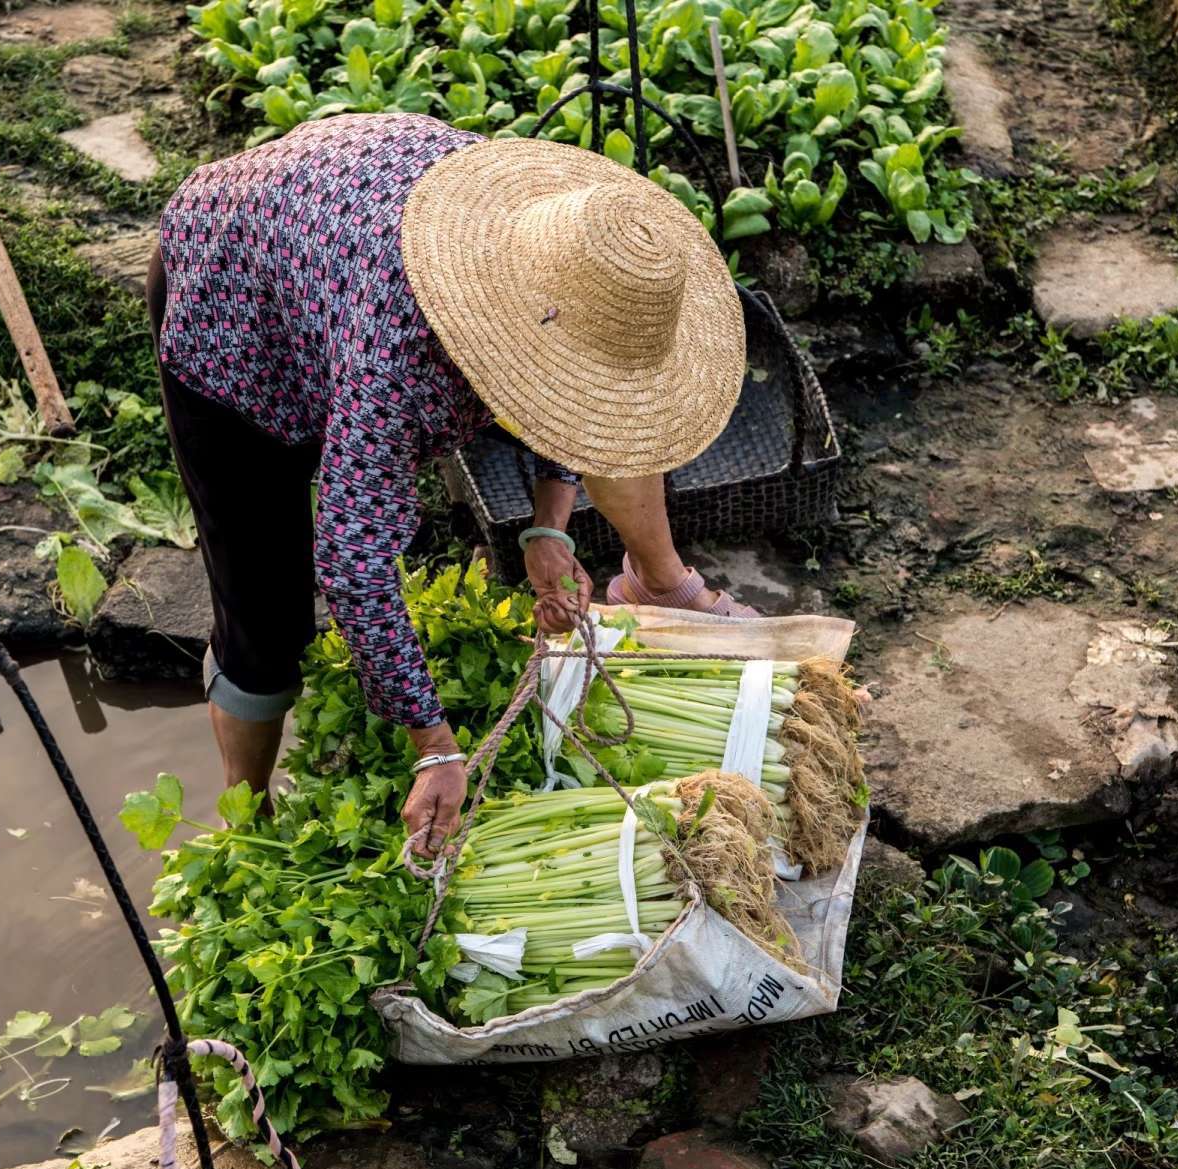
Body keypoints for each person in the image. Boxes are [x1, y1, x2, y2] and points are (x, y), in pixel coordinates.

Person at [146, 111, 756, 856]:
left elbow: (581, 406)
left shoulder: (558, 253)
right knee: (265, 611)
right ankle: (250, 824)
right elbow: (353, 563)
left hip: (333, 227)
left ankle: (657, 583)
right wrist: (434, 745)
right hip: (231, 292)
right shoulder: (396, 361)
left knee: (584, 418)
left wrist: (548, 530)